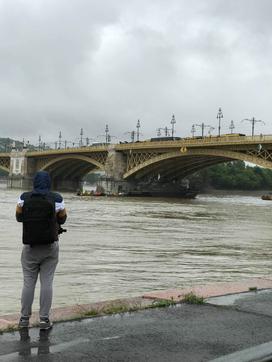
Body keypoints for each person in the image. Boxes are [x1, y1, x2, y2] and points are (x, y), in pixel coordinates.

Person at [16, 171, 67, 329]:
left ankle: (24, 319)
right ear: (49, 182)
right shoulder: (57, 198)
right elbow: (63, 218)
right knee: (47, 283)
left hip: (30, 247)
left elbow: (18, 217)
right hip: (50, 247)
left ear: (34, 183)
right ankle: (44, 319)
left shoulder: (24, 197)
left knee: (28, 283)